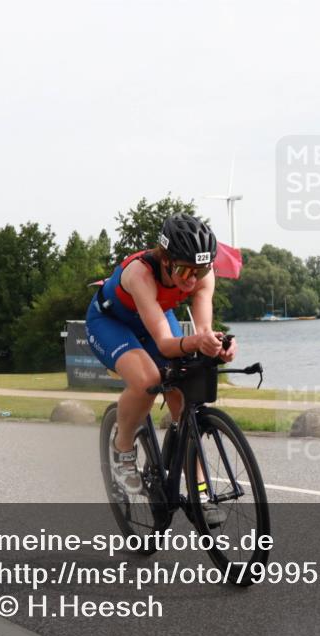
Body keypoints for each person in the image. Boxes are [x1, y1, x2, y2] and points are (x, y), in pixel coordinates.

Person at [85, 213, 236, 523]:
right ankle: (123, 449)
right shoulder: (140, 274)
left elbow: (203, 330)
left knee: (183, 386)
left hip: (155, 315)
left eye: (200, 270)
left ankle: (199, 488)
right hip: (111, 323)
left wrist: (217, 344)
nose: (192, 279)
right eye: (184, 270)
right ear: (165, 259)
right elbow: (167, 345)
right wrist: (198, 342)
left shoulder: (202, 275)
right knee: (147, 380)